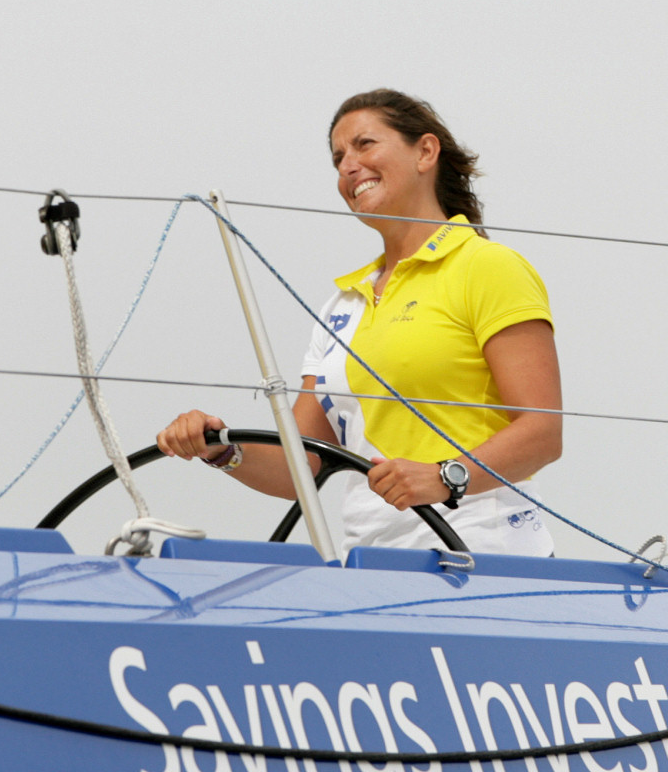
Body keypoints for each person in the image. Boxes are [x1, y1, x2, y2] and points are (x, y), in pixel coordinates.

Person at [157, 88, 562, 557]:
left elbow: (542, 432)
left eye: (365, 145)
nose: (348, 166)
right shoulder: (342, 304)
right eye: (337, 158)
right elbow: (300, 467)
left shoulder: (486, 266)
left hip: (484, 553)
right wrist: (221, 449)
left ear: (425, 152)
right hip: (374, 566)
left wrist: (444, 475)